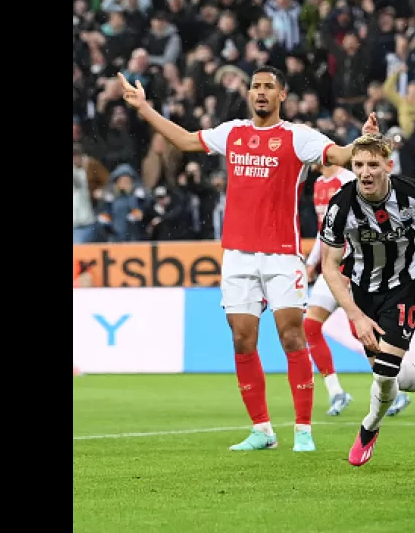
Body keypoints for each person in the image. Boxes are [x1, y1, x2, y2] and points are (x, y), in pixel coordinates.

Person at [116, 68, 380, 454]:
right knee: (242, 340)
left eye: (268, 87)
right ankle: (262, 430)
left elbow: (339, 155)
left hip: (281, 256)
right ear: (249, 94)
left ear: (281, 95)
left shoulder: (296, 137)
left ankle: (303, 430)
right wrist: (143, 108)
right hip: (238, 255)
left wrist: (364, 141)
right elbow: (187, 140)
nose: (260, 92)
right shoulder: (233, 132)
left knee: (292, 336)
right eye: (255, 86)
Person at [317, 136, 415, 467]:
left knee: (385, 374)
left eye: (373, 165)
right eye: (358, 165)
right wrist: (355, 315)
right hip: (362, 292)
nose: (365, 173)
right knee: (388, 372)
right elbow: (329, 266)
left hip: (405, 286)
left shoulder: (413, 193)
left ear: (389, 165)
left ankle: (368, 428)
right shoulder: (341, 206)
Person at [302, 161, 410, 417]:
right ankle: (336, 392)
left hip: (355, 267)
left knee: (362, 331)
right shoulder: (318, 184)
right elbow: (324, 232)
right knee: (310, 326)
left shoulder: (348, 180)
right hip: (331, 268)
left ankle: (393, 389)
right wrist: (312, 262)